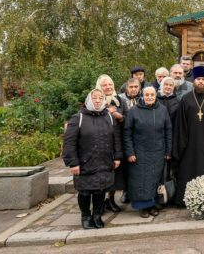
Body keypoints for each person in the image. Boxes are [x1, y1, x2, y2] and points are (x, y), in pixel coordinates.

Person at [63, 89, 122, 229]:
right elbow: (69, 142)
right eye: (94, 98)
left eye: (100, 98)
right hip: (85, 162)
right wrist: (73, 163)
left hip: (104, 161)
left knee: (100, 191)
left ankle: (97, 215)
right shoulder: (78, 117)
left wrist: (118, 157)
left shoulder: (109, 116)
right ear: (89, 100)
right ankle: (86, 216)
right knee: (84, 192)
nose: (97, 100)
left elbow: (116, 139)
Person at [172, 66, 204, 206]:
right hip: (190, 145)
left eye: (203, 79)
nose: (200, 82)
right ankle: (186, 200)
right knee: (189, 170)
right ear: (193, 81)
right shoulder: (185, 99)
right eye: (198, 79)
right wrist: (182, 144)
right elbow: (180, 124)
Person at [124, 86, 172, 218]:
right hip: (139, 152)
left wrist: (168, 150)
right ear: (142, 96)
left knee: (155, 179)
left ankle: (153, 205)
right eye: (147, 95)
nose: (149, 97)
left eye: (152, 94)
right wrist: (130, 152)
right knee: (141, 181)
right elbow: (127, 133)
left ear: (156, 95)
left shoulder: (162, 110)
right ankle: (142, 207)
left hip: (158, 151)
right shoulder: (134, 111)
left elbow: (168, 130)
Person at [95, 75, 127, 213]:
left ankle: (111, 199)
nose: (108, 87)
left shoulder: (119, 100)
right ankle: (99, 202)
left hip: (116, 141)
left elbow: (127, 118)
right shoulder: (95, 100)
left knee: (116, 174)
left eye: (110, 84)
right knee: (101, 173)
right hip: (100, 143)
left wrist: (120, 116)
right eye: (104, 85)